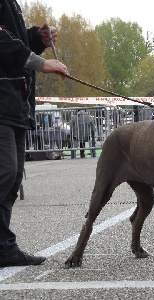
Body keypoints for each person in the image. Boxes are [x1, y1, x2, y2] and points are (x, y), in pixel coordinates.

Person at [0, 0, 69, 268]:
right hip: (4, 102)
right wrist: (41, 62)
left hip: (16, 103)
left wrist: (35, 39)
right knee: (5, 172)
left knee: (13, 177)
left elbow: (12, 40)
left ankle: (4, 248)